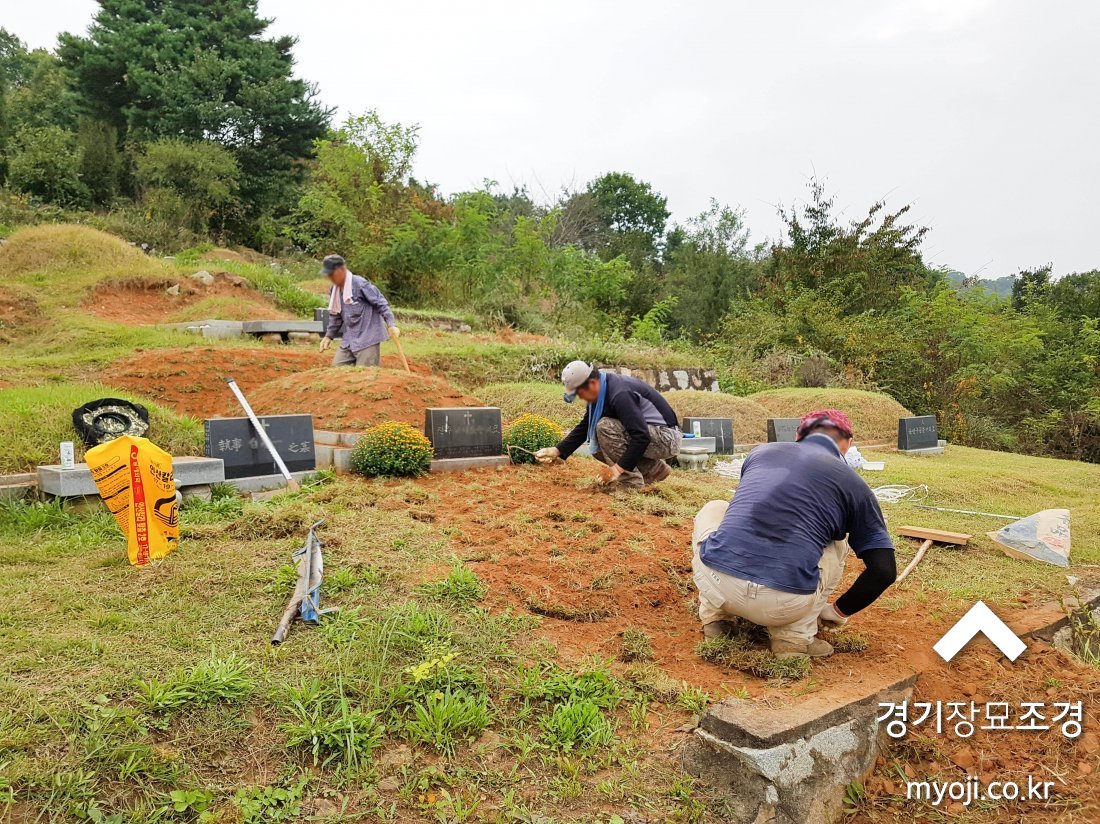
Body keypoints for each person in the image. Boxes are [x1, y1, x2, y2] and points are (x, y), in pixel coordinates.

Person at [690, 409, 896, 659]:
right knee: (837, 543)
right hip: (785, 604)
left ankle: (716, 618)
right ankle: (794, 638)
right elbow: (883, 570)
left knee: (716, 508)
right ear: (847, 444)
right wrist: (839, 611)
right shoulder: (855, 486)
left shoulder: (760, 453)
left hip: (718, 584)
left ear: (799, 435)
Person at [534, 361, 682, 489]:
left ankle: (630, 484)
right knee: (597, 438)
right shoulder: (602, 391)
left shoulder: (619, 394)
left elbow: (641, 436)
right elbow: (585, 426)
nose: (580, 397)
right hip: (653, 434)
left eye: (579, 393)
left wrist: (616, 470)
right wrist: (557, 450)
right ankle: (654, 471)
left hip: (666, 437)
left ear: (591, 384)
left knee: (604, 427)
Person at [317, 254, 400, 367]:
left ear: (342, 269)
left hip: (368, 338)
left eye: (332, 273)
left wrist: (391, 324)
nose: (330, 277)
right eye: (328, 274)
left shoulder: (360, 284)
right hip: (349, 340)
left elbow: (381, 303)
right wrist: (328, 336)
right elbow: (335, 316)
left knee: (365, 376)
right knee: (336, 368)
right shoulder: (334, 290)